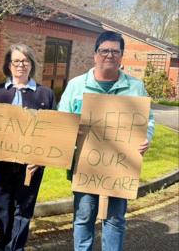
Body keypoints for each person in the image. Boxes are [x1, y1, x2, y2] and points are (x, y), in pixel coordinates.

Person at [57, 31, 154, 251]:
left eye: (114, 51)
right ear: (95, 55)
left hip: (121, 167)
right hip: (85, 165)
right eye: (104, 50)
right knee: (83, 217)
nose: (109, 55)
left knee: (115, 219)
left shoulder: (135, 87)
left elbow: (148, 121)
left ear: (121, 56)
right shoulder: (76, 86)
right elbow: (62, 119)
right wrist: (72, 133)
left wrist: (145, 138)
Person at [0, 44, 55, 251]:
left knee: (23, 210)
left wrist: (40, 160)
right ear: (8, 65)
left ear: (31, 64)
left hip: (30, 166)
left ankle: (15, 248)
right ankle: (5, 242)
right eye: (16, 61)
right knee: (3, 209)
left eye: (25, 61)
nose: (21, 65)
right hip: (1, 165)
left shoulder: (45, 95)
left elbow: (51, 133)